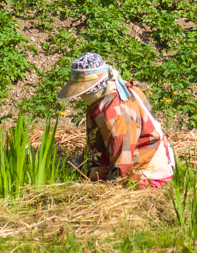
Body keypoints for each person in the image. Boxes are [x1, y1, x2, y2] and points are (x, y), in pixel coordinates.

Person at [60, 52, 175, 187]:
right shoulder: (110, 94)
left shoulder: (115, 112)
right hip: (128, 157)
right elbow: (98, 141)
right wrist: (77, 164)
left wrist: (108, 187)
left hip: (148, 171)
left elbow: (123, 161)